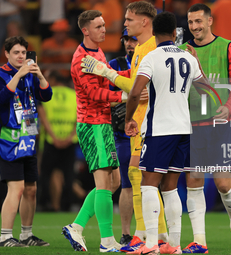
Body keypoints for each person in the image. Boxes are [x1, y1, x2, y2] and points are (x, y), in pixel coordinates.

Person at [80, 2, 168, 252]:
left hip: (151, 122)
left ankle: (151, 236)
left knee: (145, 179)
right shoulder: (141, 48)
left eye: (129, 19)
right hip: (138, 122)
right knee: (139, 178)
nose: (124, 23)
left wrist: (107, 73)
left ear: (145, 21)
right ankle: (154, 235)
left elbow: (137, 88)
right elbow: (135, 84)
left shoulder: (152, 48)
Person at [124, 11, 207, 255]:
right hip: (184, 129)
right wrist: (196, 63)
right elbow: (206, 92)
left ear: (154, 33)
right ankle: (174, 245)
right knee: (170, 187)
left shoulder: (151, 57)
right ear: (174, 33)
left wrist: (129, 119)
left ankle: (150, 245)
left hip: (159, 129)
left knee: (149, 184)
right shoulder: (188, 58)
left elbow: (134, 92)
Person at [178, 4, 231, 253]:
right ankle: (200, 242)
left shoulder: (228, 47)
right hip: (191, 124)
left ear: (210, 21)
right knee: (194, 181)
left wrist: (229, 107)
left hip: (219, 125)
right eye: (190, 22)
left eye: (198, 21)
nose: (194, 27)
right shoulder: (182, 50)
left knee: (223, 185)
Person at [61, 10, 124, 253]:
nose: (104, 29)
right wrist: (124, 95)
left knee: (113, 181)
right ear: (85, 30)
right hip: (92, 124)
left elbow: (109, 79)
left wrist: (138, 75)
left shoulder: (98, 52)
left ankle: (76, 227)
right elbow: (94, 94)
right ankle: (107, 241)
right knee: (104, 184)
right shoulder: (80, 58)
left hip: (103, 123)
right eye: (98, 26)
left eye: (104, 25)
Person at [0, 36, 52, 247]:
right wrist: (18, 75)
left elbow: (46, 95)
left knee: (31, 188)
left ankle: (26, 235)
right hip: (8, 141)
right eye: (16, 53)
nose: (21, 56)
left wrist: (39, 75)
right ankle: (4, 237)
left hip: (28, 137)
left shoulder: (30, 73)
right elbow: (2, 99)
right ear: (6, 54)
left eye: (24, 53)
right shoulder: (2, 74)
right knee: (17, 188)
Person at [108, 28, 138, 246]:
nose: (129, 43)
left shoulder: (151, 60)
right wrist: (123, 101)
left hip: (148, 131)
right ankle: (127, 233)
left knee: (151, 184)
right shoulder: (115, 65)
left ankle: (151, 231)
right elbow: (104, 97)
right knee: (127, 184)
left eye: (133, 39)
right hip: (123, 134)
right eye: (126, 39)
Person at [37, 70, 77, 212]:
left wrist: (54, 137)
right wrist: (70, 136)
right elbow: (80, 119)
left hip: (50, 141)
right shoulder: (74, 95)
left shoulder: (46, 94)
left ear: (53, 79)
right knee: (68, 175)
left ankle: (47, 204)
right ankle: (67, 204)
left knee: (47, 174)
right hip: (70, 141)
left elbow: (43, 118)